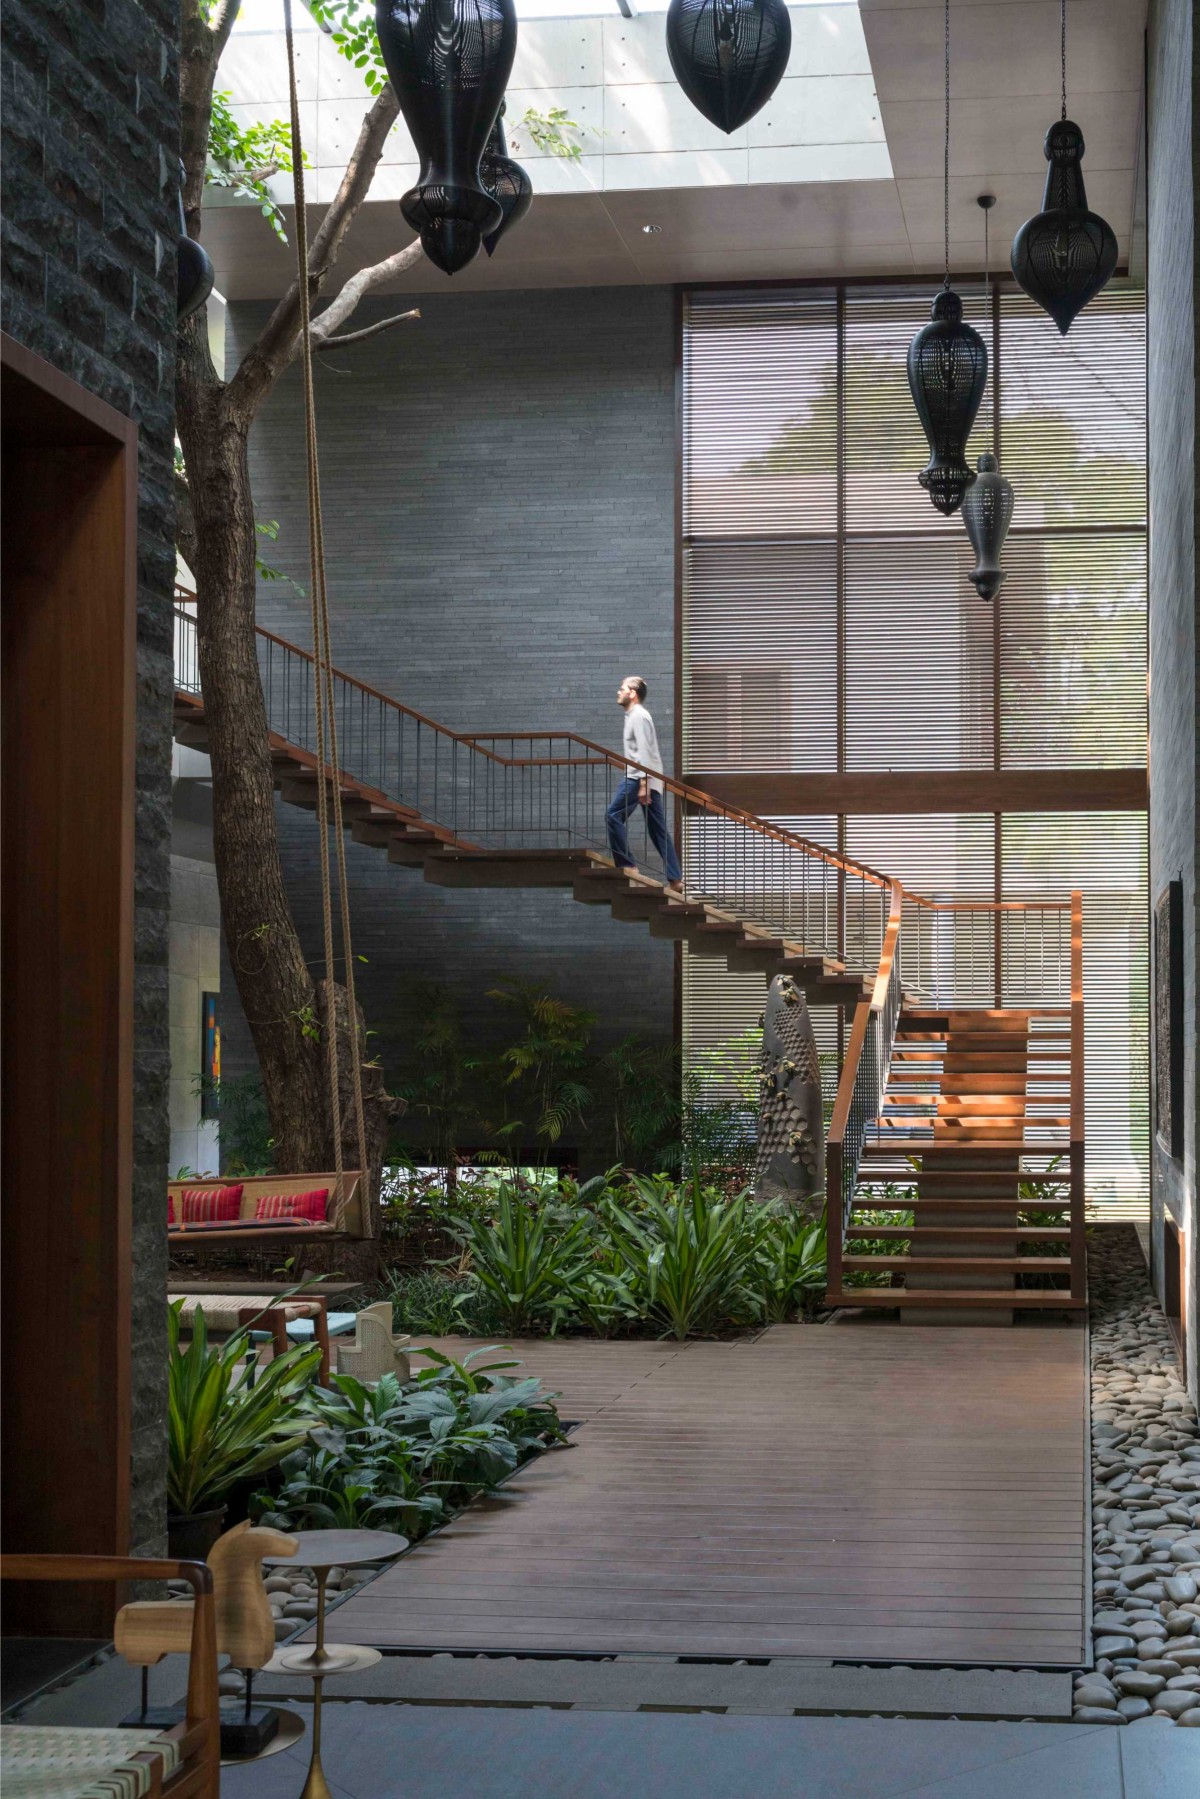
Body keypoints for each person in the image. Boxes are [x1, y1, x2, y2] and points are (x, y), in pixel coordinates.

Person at [606, 675, 683, 889]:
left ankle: (626, 863)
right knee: (657, 829)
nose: (618, 692)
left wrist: (643, 783)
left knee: (613, 815)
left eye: (622, 689)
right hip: (647, 777)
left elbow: (645, 751)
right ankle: (675, 879)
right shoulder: (633, 716)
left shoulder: (639, 716)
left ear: (632, 693)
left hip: (638, 777)